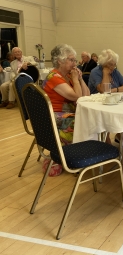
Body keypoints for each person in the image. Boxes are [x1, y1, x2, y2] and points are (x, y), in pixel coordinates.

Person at [42, 44, 90, 176]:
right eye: (71, 60)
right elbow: (77, 97)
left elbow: (86, 96)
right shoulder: (54, 77)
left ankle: (81, 156)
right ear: (60, 61)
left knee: (91, 119)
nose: (75, 63)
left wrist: (79, 79)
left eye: (75, 60)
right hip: (54, 117)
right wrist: (75, 79)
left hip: (68, 113)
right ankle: (76, 157)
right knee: (85, 122)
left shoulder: (67, 76)